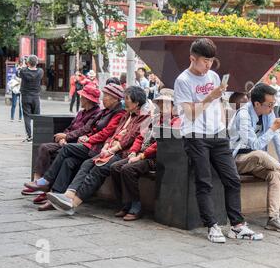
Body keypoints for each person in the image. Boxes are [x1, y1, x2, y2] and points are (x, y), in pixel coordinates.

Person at [174, 38, 262, 243]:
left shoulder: (213, 76)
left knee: (232, 179)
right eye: (204, 61)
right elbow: (190, 114)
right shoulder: (183, 81)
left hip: (218, 134)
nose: (208, 65)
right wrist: (208, 98)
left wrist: (223, 127)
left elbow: (220, 105)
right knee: (204, 182)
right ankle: (212, 226)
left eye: (211, 61)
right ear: (192, 59)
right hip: (195, 135)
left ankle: (237, 226)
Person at [46, 86, 150, 215]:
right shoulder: (126, 115)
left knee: (99, 169)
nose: (124, 100)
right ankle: (68, 194)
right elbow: (113, 134)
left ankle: (74, 203)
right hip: (111, 149)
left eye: (127, 98)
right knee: (87, 163)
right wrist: (107, 145)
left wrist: (112, 149)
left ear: (136, 102)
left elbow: (131, 137)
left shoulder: (143, 117)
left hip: (123, 153)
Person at [229, 83, 280, 233]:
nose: (272, 108)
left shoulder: (269, 114)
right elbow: (254, 145)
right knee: (259, 154)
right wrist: (273, 128)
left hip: (257, 161)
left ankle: (273, 219)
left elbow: (277, 139)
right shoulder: (243, 115)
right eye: (269, 105)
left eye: (274, 104)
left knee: (274, 174)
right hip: (236, 161)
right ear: (257, 104)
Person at [24, 84, 126, 204]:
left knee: (66, 149)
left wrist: (88, 139)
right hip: (88, 144)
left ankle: (46, 180)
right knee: (69, 161)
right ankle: (55, 194)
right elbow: (90, 128)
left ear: (115, 98)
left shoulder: (118, 113)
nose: (103, 99)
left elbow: (105, 133)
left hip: (96, 148)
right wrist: (85, 137)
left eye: (107, 96)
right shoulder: (104, 111)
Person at [111, 89, 180, 221]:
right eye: (160, 103)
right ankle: (125, 204)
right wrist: (133, 152)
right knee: (115, 167)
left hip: (157, 158)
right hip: (141, 154)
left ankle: (136, 206)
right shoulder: (154, 119)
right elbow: (140, 137)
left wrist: (141, 156)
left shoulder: (175, 122)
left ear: (173, 106)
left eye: (166, 103)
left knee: (128, 169)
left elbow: (161, 144)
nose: (162, 106)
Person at [17, 55, 44, 142]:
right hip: (36, 97)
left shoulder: (23, 71)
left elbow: (19, 72)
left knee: (27, 116)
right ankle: (37, 136)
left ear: (28, 62)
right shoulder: (40, 71)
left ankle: (29, 136)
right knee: (37, 116)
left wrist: (24, 65)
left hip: (25, 96)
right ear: (37, 62)